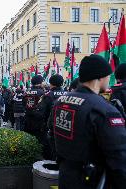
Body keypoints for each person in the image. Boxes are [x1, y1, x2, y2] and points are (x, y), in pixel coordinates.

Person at [49, 54, 126, 189]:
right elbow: (119, 158)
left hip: (66, 175)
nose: (109, 79)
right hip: (92, 180)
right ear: (99, 77)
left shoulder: (60, 102)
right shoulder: (104, 110)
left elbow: (51, 135)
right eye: (108, 75)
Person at [34, 74, 67, 159]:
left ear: (51, 83)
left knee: (50, 151)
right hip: (65, 127)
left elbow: (40, 112)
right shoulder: (68, 94)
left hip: (50, 128)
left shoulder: (48, 95)